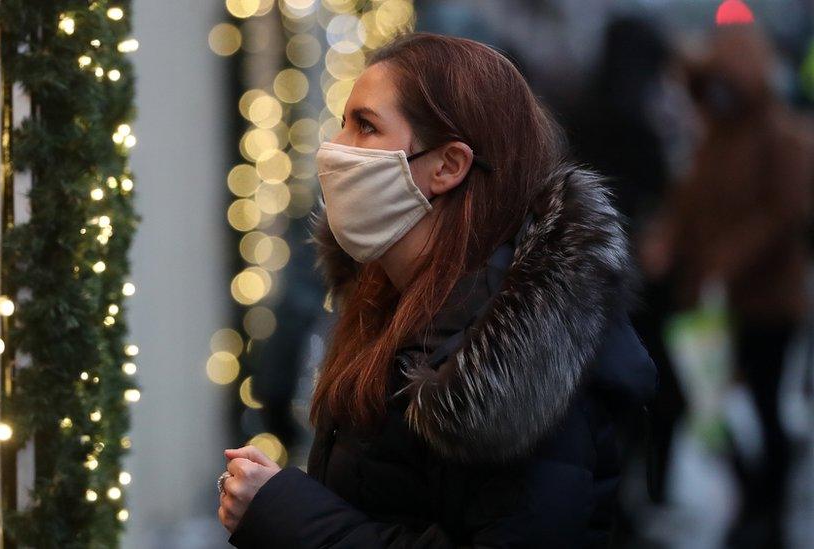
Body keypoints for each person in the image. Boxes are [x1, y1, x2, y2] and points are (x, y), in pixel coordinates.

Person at [217, 32, 658, 548]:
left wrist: (283, 512)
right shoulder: (389, 297)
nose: (335, 148)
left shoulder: (521, 355)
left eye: (365, 126)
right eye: (343, 122)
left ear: (448, 165)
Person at [642, 25, 814, 549]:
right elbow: (687, 206)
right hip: (713, 306)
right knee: (713, 409)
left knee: (763, 406)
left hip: (767, 303)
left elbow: (785, 216)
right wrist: (666, 240)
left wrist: (726, 261)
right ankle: (751, 499)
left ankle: (769, 508)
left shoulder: (782, 138)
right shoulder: (711, 140)